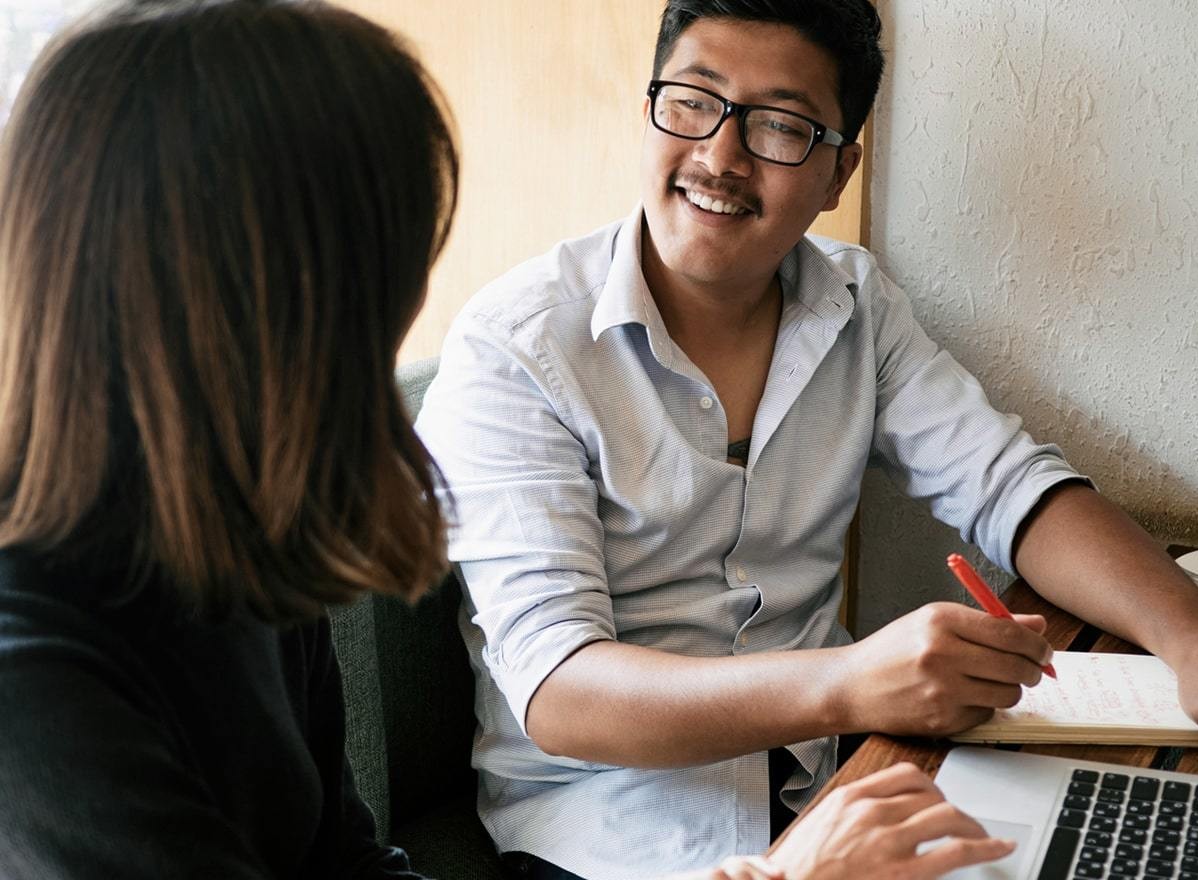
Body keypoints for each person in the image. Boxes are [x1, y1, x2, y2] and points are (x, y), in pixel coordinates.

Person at [0, 2, 1010, 879]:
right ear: (224, 299)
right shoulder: (32, 677)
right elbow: (559, 684)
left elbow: (346, 866)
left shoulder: (233, 543)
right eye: (370, 291)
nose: (379, 344)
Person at [413, 0, 1198, 877]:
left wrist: (1197, 636)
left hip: (834, 777)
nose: (721, 155)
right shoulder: (516, 346)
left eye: (778, 124)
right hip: (612, 829)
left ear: (837, 171)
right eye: (692, 103)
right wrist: (852, 683)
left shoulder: (853, 302)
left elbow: (1010, 486)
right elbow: (560, 693)